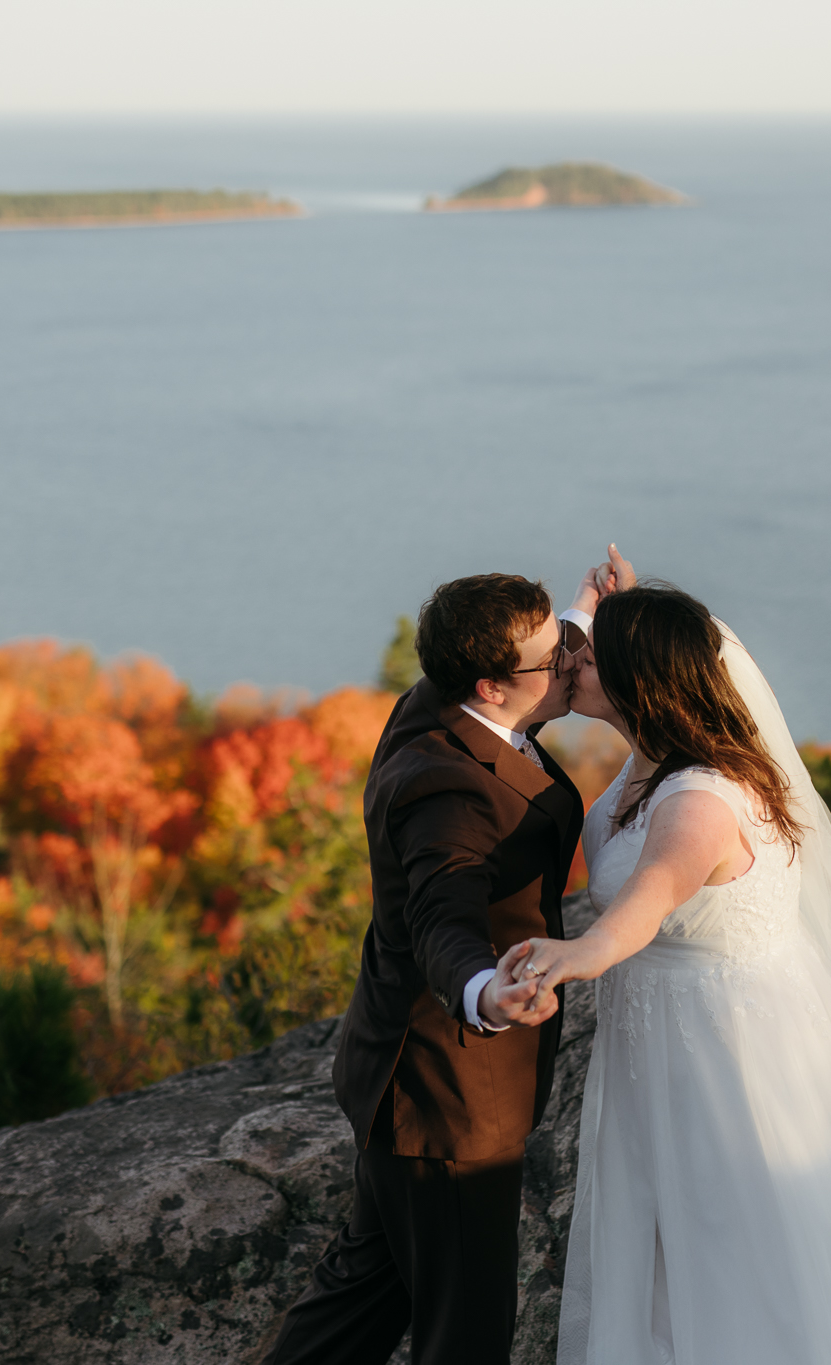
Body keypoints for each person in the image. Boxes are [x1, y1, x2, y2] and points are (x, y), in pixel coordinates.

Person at [505, 583, 831, 1365]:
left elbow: (647, 903)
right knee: (670, 1260)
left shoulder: (700, 798)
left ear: (642, 683)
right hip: (667, 1055)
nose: (570, 662)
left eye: (588, 654)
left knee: (739, 1254)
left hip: (733, 1066)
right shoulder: (647, 765)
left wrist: (575, 955)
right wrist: (592, 612)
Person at [263, 553, 632, 1365]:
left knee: (364, 1296)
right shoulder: (448, 790)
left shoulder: (435, 700)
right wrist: (482, 990)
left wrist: (583, 609)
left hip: (398, 1080)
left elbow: (536, 650)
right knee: (465, 1331)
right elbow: (443, 913)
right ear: (492, 687)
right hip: (446, 1096)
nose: (575, 660)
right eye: (558, 656)